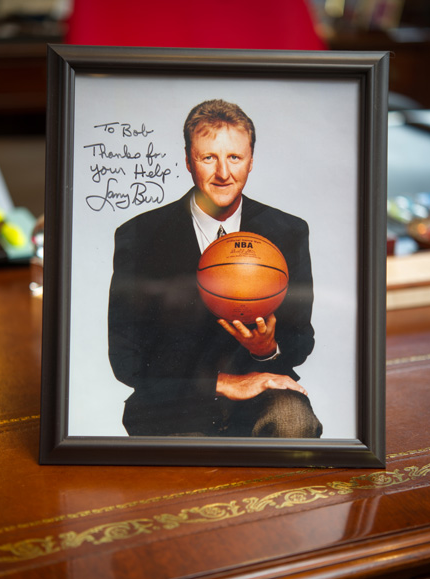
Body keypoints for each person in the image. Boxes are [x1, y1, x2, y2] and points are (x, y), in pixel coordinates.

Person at [108, 99, 322, 438]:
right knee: (189, 469)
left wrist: (266, 350)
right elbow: (127, 359)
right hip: (174, 402)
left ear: (251, 161)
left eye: (234, 157)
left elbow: (300, 340)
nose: (223, 173)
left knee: (293, 423)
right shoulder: (140, 235)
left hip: (262, 396)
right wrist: (223, 383)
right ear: (188, 160)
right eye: (209, 157)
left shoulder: (288, 231)